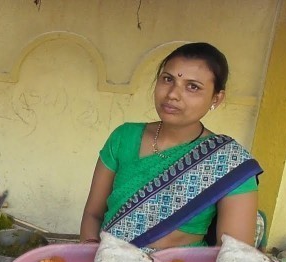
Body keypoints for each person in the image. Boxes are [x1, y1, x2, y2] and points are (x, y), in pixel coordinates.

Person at [80, 42, 262, 249]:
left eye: (192, 87)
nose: (173, 94)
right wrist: (91, 254)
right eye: (168, 79)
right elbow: (93, 215)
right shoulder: (124, 137)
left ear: (216, 98)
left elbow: (234, 257)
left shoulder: (229, 161)